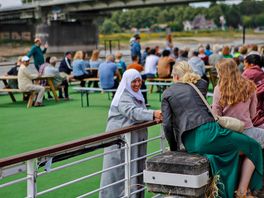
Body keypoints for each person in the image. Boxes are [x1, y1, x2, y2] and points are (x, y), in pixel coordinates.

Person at [162, 61, 263, 198]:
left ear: (175, 77)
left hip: (190, 141)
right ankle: (245, 190)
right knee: (253, 146)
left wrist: (174, 148)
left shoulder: (167, 93)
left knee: (226, 154)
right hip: (211, 132)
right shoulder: (201, 85)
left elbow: (167, 125)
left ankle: (235, 191)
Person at [100, 69, 162, 198]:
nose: (137, 84)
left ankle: (134, 195)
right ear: (127, 82)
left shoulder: (136, 94)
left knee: (135, 168)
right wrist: (153, 114)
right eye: (134, 81)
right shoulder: (123, 96)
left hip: (132, 140)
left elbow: (139, 112)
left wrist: (151, 116)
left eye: (139, 80)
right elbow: (132, 112)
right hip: (119, 142)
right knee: (117, 171)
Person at [212, 58, 264, 149]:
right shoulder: (250, 85)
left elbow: (216, 113)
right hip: (247, 129)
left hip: (228, 131)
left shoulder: (219, 88)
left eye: (218, 72)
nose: (217, 75)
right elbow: (253, 113)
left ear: (222, 72)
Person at [243, 52, 264, 128]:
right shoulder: (261, 73)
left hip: (252, 112)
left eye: (245, 64)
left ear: (251, 64)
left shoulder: (247, 74)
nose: (244, 67)